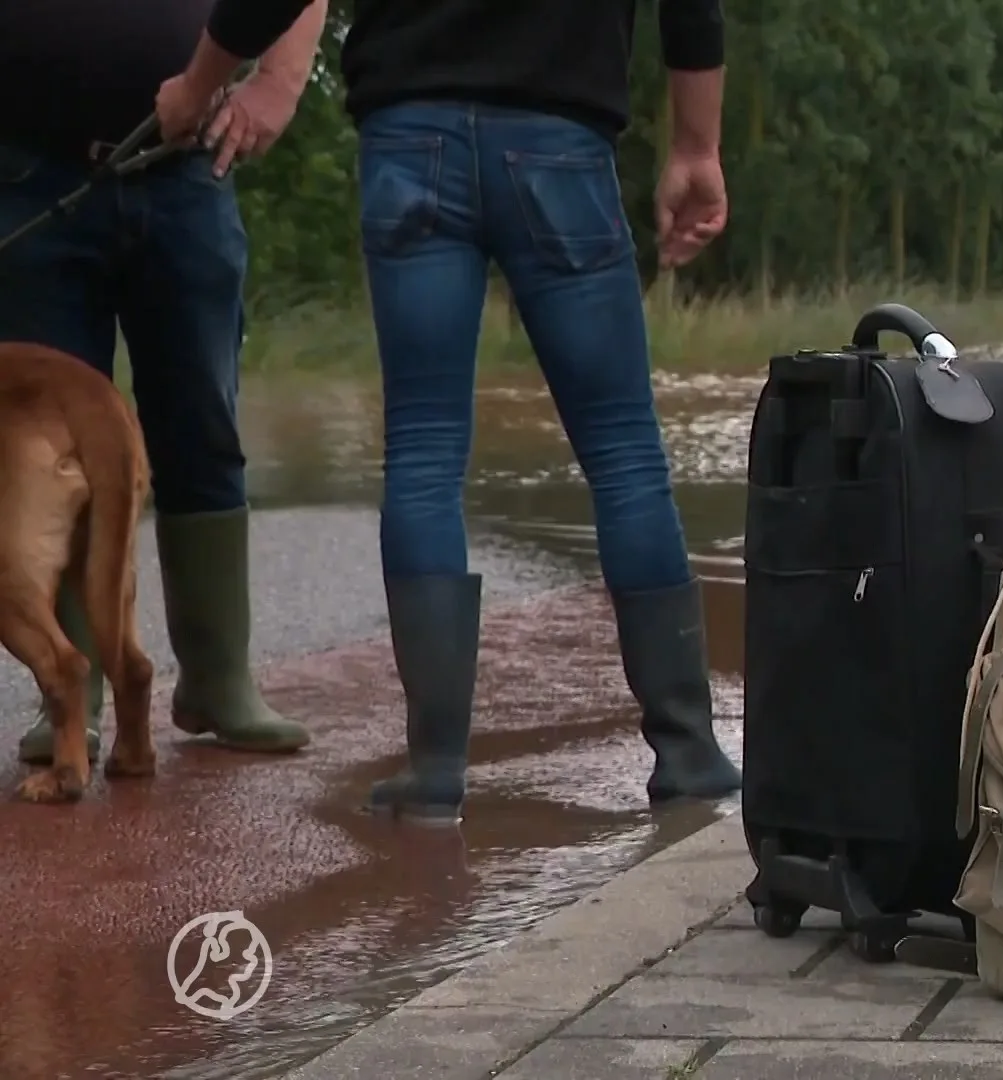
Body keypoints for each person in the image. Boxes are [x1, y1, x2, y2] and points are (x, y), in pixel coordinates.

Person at [156, 0, 744, 818]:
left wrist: (198, 84)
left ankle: (434, 769)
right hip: (559, 137)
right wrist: (694, 145)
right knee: (623, 455)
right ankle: (687, 754)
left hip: (412, 131)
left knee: (423, 454)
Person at [0, 0, 324, 766]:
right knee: (50, 456)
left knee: (202, 420)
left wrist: (278, 82)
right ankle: (73, 698)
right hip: (24, 172)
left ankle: (216, 680)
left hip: (187, 167)